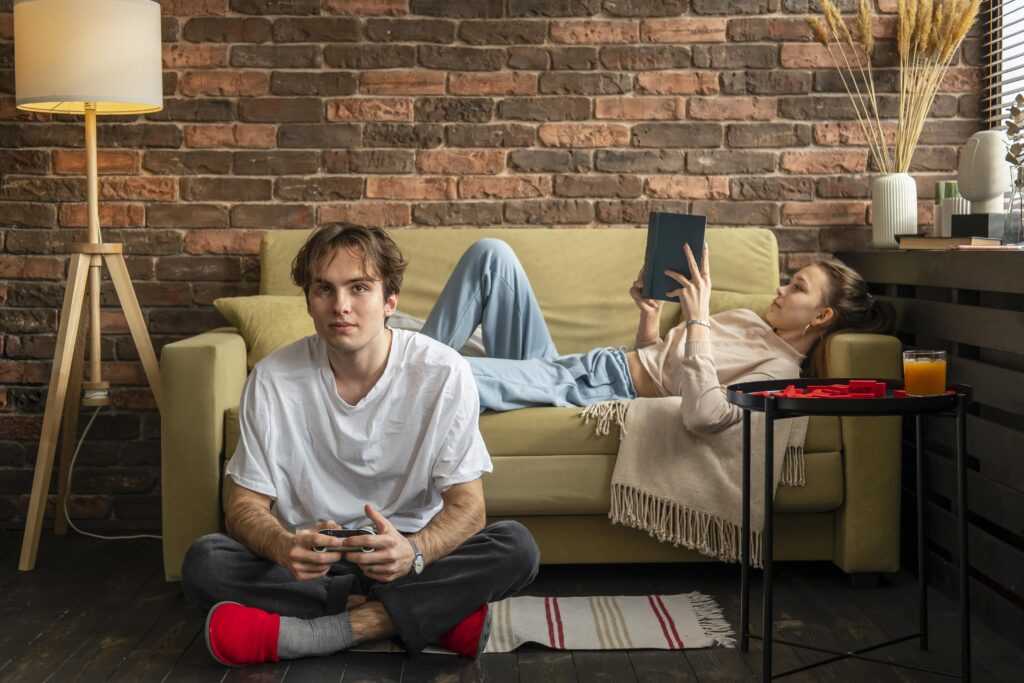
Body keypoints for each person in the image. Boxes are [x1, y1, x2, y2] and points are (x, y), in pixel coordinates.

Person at [180, 225, 540, 668]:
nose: (340, 306)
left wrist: (415, 552)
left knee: (517, 547)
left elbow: (470, 508)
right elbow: (243, 503)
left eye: (359, 288)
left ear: (390, 300)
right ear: (309, 300)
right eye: (324, 290)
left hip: (405, 556)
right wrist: (281, 546)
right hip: (313, 564)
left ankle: (327, 630)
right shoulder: (272, 379)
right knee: (205, 561)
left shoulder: (443, 372)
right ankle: (428, 616)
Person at [419, 237, 894, 423]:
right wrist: (649, 316)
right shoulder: (750, 320)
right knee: (492, 255)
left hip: (597, 387)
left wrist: (699, 320)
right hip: (586, 364)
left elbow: (705, 413)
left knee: (449, 374)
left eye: (797, 288)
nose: (781, 289)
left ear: (821, 317)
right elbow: (657, 356)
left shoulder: (777, 369)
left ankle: (391, 370)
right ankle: (403, 359)